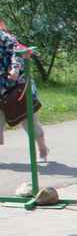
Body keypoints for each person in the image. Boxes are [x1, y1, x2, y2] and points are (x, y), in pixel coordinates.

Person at [0, 27, 49, 162]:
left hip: (17, 87)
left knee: (28, 120)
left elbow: (18, 52)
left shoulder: (5, 38)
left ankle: (43, 149)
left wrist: (15, 69)